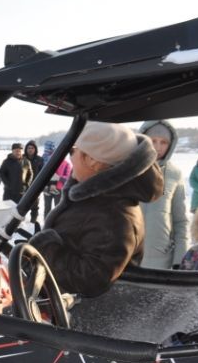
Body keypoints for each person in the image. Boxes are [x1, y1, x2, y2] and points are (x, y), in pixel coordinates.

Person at [29, 121, 162, 297]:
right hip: (55, 303)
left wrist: (46, 247)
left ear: (93, 161)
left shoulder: (116, 217)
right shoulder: (98, 198)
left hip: (72, 316)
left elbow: (90, 279)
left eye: (73, 150)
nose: (70, 157)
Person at [138, 120, 188, 269]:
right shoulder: (127, 168)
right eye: (153, 140)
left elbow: (181, 221)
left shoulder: (174, 174)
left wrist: (180, 259)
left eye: (164, 142)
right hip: (126, 258)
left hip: (161, 261)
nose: (158, 147)